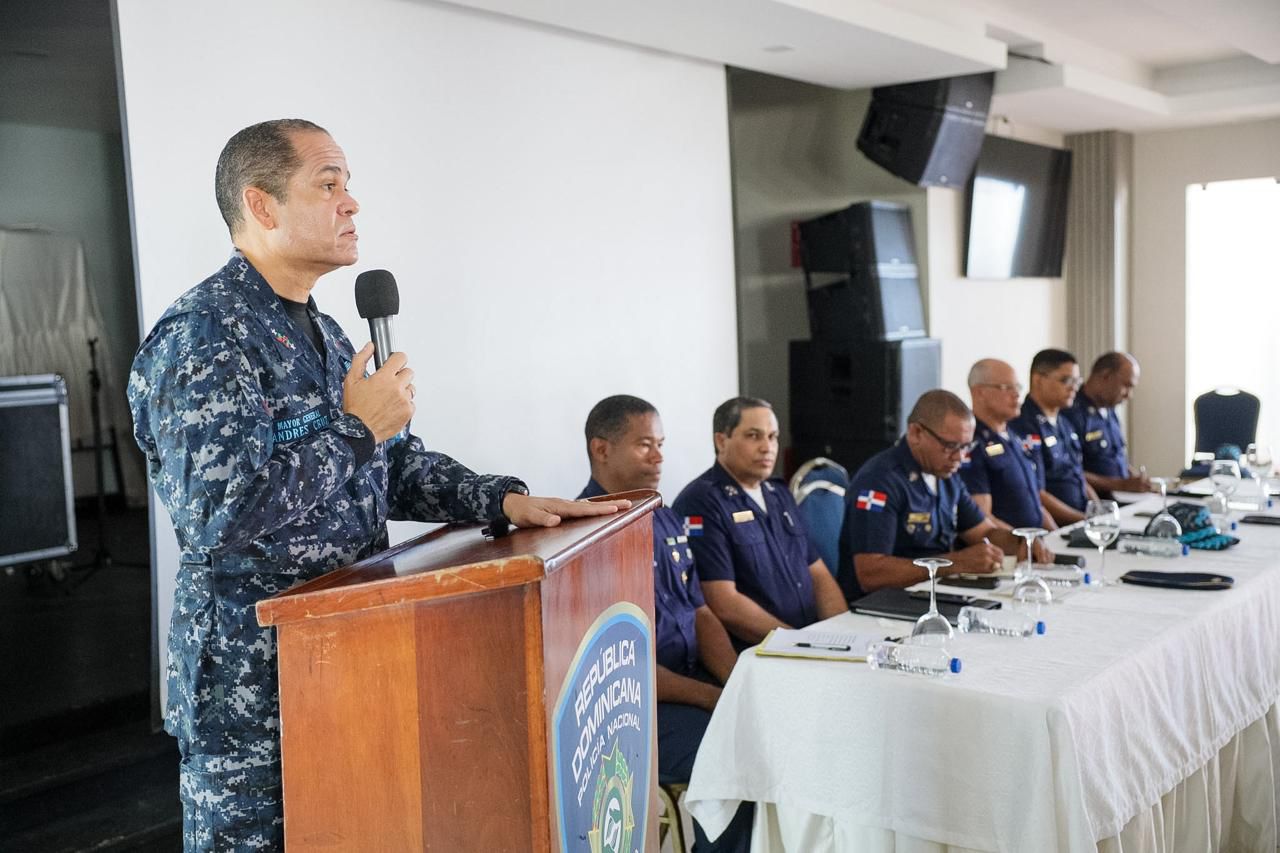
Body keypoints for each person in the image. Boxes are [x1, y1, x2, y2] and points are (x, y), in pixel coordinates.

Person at [128, 119, 626, 851]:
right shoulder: (205, 337)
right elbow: (216, 513)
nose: (351, 202)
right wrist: (358, 429)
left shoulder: (324, 333)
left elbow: (387, 467)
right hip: (251, 694)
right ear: (261, 205)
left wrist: (498, 500)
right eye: (328, 184)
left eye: (349, 185)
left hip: (352, 657)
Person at [578, 395, 751, 852]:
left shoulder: (665, 516)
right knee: (736, 755)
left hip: (693, 683)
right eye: (644, 445)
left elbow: (700, 612)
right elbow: (622, 666)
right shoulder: (588, 538)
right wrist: (714, 698)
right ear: (601, 449)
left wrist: (735, 682)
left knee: (769, 729)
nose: (658, 457)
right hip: (639, 710)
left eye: (661, 445)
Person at [672, 397, 847, 646]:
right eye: (753, 436)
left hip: (808, 642)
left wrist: (843, 636)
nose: (767, 447)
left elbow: (817, 573)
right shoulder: (701, 502)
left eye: (772, 437)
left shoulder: (779, 493)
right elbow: (724, 603)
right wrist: (798, 643)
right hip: (760, 651)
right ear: (721, 441)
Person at [839, 390, 1025, 600]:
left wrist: (1022, 542)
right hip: (883, 603)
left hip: (934, 592)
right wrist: (955, 563)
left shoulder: (945, 475)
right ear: (916, 433)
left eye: (965, 446)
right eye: (950, 446)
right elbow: (871, 574)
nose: (959, 457)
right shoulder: (880, 481)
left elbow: (983, 531)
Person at [959, 359, 1058, 543]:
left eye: (1017, 387)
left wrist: (1056, 537)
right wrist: (1025, 543)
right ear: (979, 392)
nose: (1016, 394)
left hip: (1036, 544)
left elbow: (1035, 503)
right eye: (1006, 388)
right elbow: (982, 517)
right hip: (1008, 550)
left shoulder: (1014, 435)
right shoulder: (971, 444)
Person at [1011, 349, 1099, 525]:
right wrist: (1085, 520)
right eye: (1066, 380)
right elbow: (1036, 494)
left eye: (1077, 381)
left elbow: (1077, 475)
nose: (1074, 388)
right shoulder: (1023, 424)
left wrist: (1099, 511)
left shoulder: (1065, 423)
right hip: (1056, 525)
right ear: (1038, 380)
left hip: (1081, 518)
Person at [1063, 351, 1153, 497]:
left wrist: (1136, 480)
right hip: (1099, 500)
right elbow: (1069, 471)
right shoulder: (1071, 413)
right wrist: (1122, 485)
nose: (1129, 395)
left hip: (1125, 497)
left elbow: (1116, 457)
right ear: (1105, 376)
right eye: (1126, 386)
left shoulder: (1110, 411)